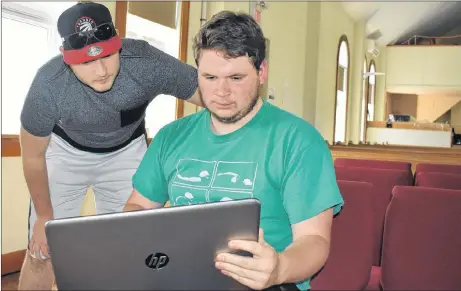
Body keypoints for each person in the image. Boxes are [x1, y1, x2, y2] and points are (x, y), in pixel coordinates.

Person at [124, 10, 344, 291]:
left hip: (265, 282)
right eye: (210, 77)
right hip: (180, 277)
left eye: (236, 78)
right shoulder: (171, 136)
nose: (221, 91)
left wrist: (278, 268)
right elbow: (139, 205)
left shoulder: (298, 140)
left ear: (261, 72)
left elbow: (315, 242)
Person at [18, 2, 201, 290]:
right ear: (65, 58)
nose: (101, 70)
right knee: (43, 249)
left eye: (107, 55)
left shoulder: (145, 61)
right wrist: (43, 216)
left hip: (125, 152)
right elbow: (32, 156)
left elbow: (212, 92)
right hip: (65, 155)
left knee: (131, 248)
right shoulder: (48, 83)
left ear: (119, 43)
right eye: (86, 61)